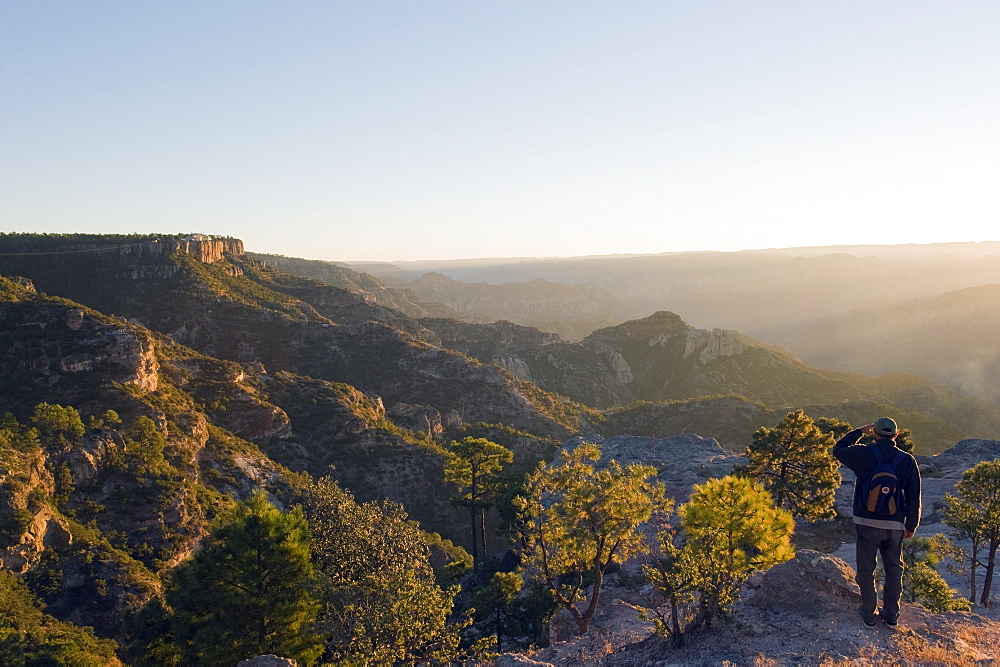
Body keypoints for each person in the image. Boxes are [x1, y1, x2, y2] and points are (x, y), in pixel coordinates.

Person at [834, 417, 921, 628]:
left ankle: (869, 613)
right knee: (893, 569)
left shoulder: (864, 453)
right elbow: (913, 496)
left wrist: (858, 431)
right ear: (896, 435)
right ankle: (891, 615)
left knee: (866, 568)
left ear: (875, 433)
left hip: (866, 521)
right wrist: (911, 525)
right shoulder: (907, 460)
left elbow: (839, 449)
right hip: (894, 524)